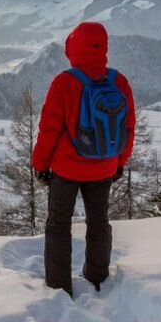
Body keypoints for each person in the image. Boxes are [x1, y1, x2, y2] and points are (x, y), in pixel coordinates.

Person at [32, 22, 136, 296]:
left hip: (67, 169)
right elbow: (129, 127)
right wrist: (120, 162)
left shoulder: (65, 82)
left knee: (58, 224)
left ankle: (58, 285)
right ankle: (98, 277)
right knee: (98, 222)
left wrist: (41, 166)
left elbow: (49, 130)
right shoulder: (119, 82)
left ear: (73, 47)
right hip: (104, 168)